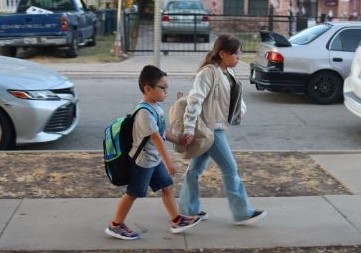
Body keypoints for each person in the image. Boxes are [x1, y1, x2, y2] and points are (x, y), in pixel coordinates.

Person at [179, 34, 267, 225]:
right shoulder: (208, 73)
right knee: (230, 169)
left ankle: (187, 209)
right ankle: (242, 212)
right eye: (236, 53)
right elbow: (195, 100)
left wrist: (241, 109)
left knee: (195, 170)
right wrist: (188, 128)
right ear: (223, 53)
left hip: (214, 127)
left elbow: (234, 98)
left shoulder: (227, 72)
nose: (239, 57)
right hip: (210, 129)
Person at [105, 65, 201, 240]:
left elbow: (162, 132)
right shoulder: (144, 113)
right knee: (133, 193)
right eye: (162, 88)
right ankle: (115, 225)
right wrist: (168, 161)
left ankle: (176, 219)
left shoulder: (155, 107)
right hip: (143, 162)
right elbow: (156, 138)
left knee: (167, 186)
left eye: (167, 88)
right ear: (148, 89)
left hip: (153, 160)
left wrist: (178, 140)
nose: (166, 91)